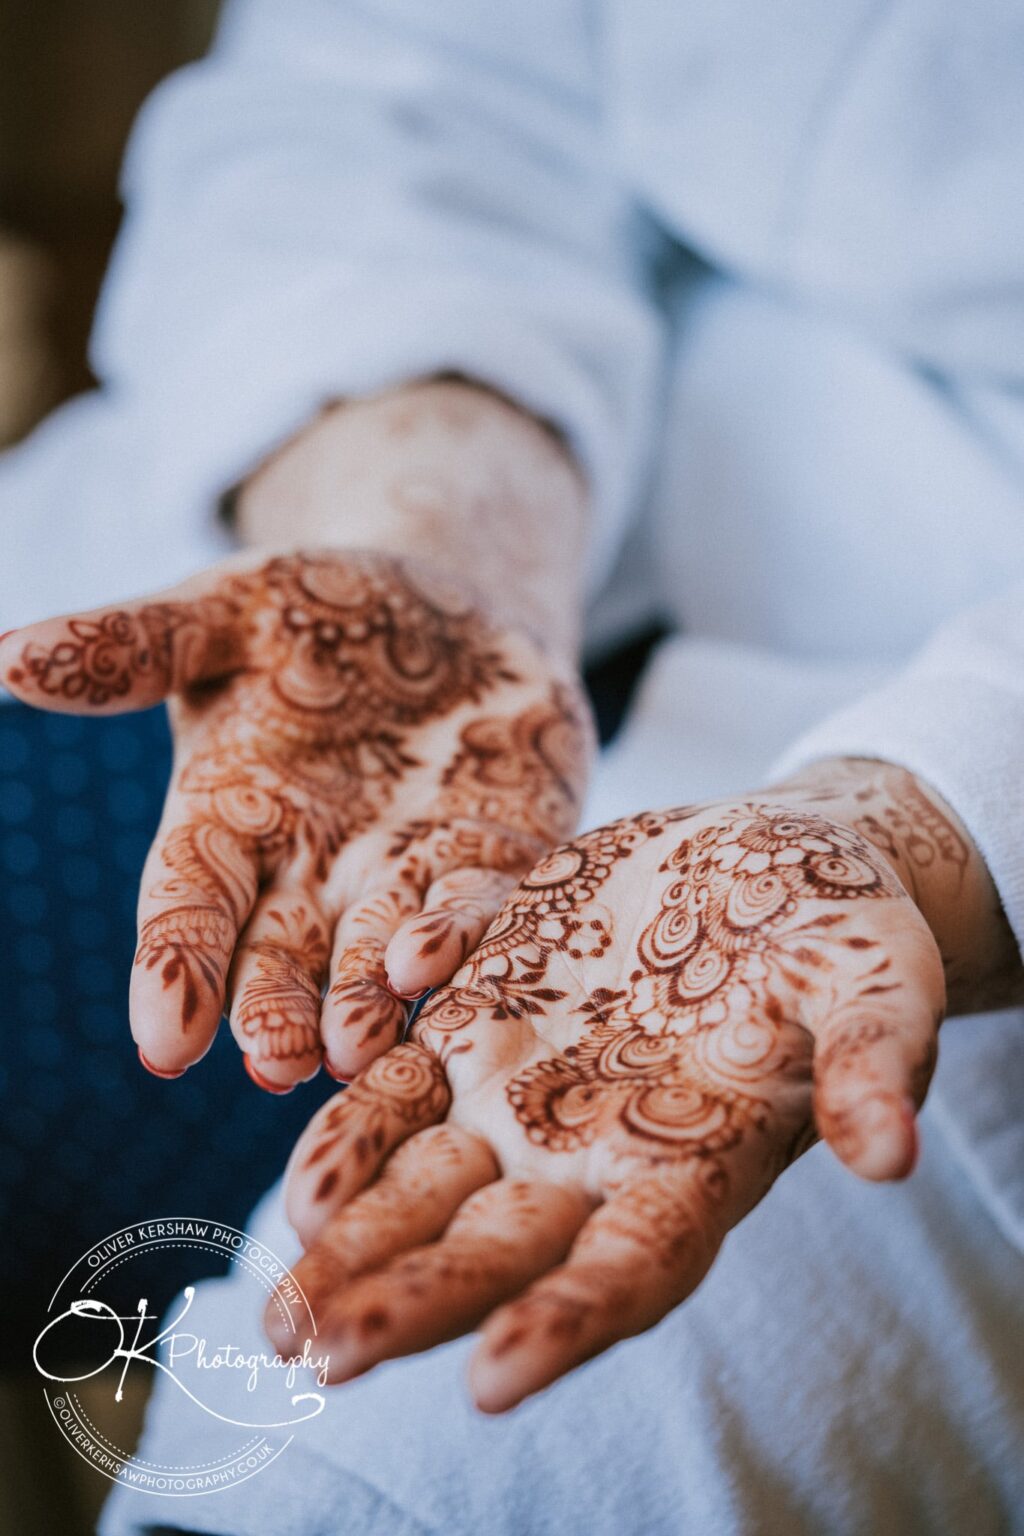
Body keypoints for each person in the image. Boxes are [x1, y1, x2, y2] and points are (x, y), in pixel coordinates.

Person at [0, 0, 1022, 1530]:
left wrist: (933, 806)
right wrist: (422, 510)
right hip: (573, 447)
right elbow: (393, 73)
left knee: (394, 1463)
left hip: (939, 873)